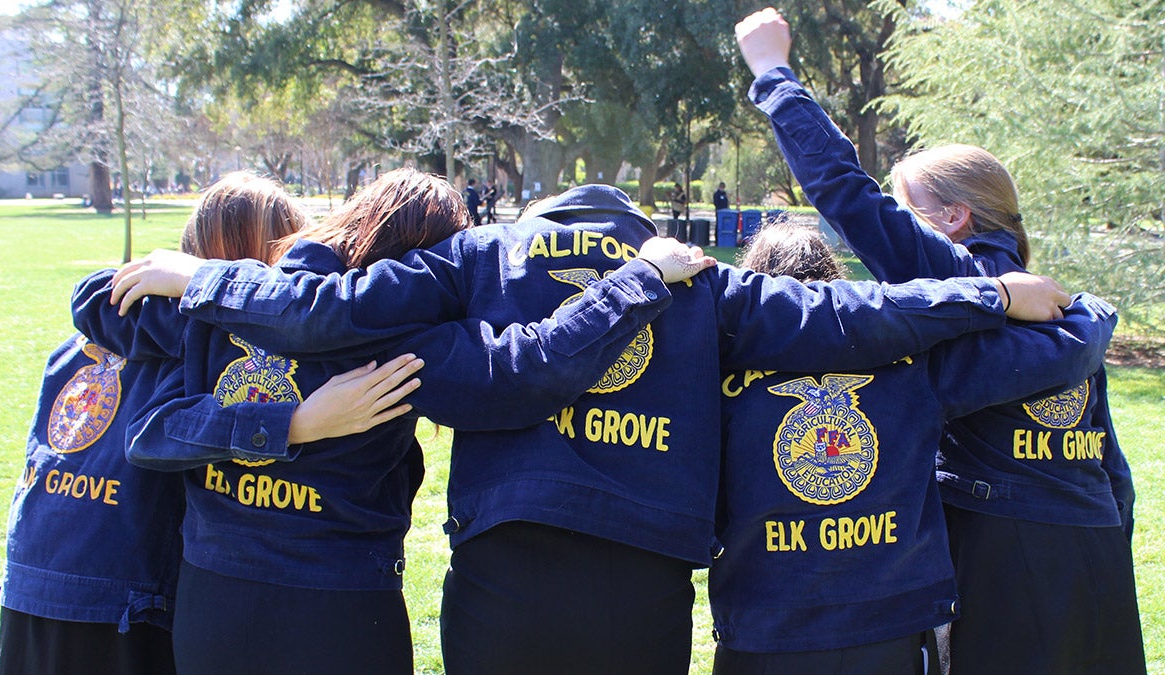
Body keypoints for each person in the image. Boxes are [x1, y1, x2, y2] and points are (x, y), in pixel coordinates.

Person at [107, 180, 1069, 674]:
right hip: (638, 585)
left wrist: (209, 277)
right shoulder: (697, 279)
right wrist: (987, 288)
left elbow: (326, 311)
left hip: (502, 578)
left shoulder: (475, 258)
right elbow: (848, 317)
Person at [74, 170, 710, 674]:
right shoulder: (393, 338)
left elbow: (97, 310)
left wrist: (207, 281)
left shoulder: (231, 303)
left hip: (235, 597)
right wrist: (291, 422)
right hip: (326, 604)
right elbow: (145, 421)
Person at [735, 8, 1144, 673]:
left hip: (1001, 554)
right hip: (1093, 546)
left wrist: (772, 73)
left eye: (912, 210)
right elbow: (1115, 468)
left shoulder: (958, 274)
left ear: (954, 218)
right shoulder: (1069, 309)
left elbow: (845, 191)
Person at [711, 222, 1116, 674]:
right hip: (892, 626)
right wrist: (1092, 313)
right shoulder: (912, 357)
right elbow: (1052, 356)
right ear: (835, 275)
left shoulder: (716, 371)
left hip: (764, 628)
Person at [0, 171, 313, 675]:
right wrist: (295, 421)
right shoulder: (213, 348)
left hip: (30, 579)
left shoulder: (98, 328)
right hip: (125, 600)